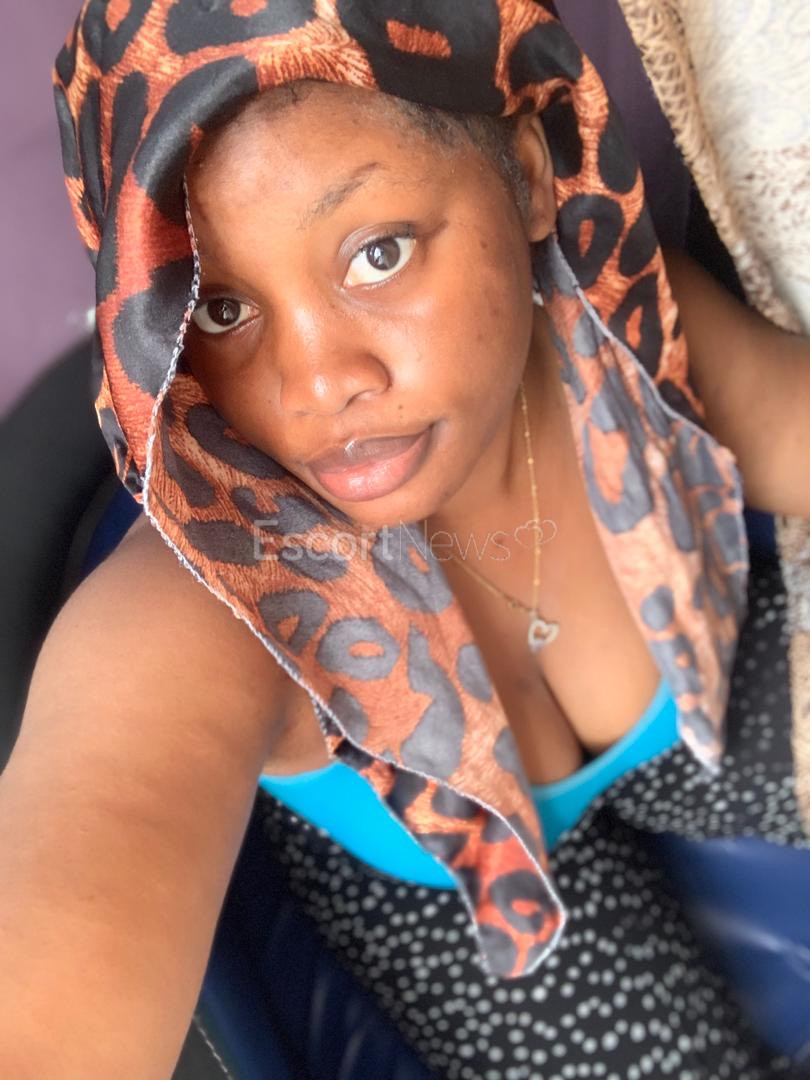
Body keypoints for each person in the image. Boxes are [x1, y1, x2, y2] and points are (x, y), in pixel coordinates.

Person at [2, 1, 808, 1077]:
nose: (318, 384)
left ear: (528, 175)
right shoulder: (206, 604)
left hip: (702, 699)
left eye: (376, 253)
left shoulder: (632, 341)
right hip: (444, 892)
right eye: (221, 310)